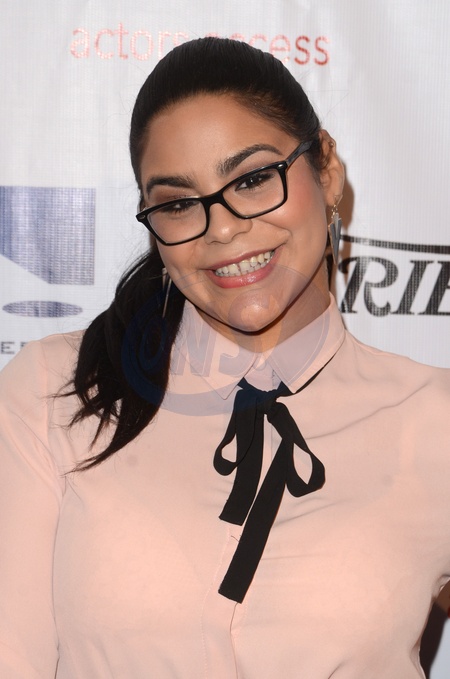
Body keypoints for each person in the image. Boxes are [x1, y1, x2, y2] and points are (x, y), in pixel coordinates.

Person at [0, 36, 449, 679]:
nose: (223, 227)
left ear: (325, 169)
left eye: (253, 179)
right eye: (179, 203)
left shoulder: (433, 418)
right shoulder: (54, 391)